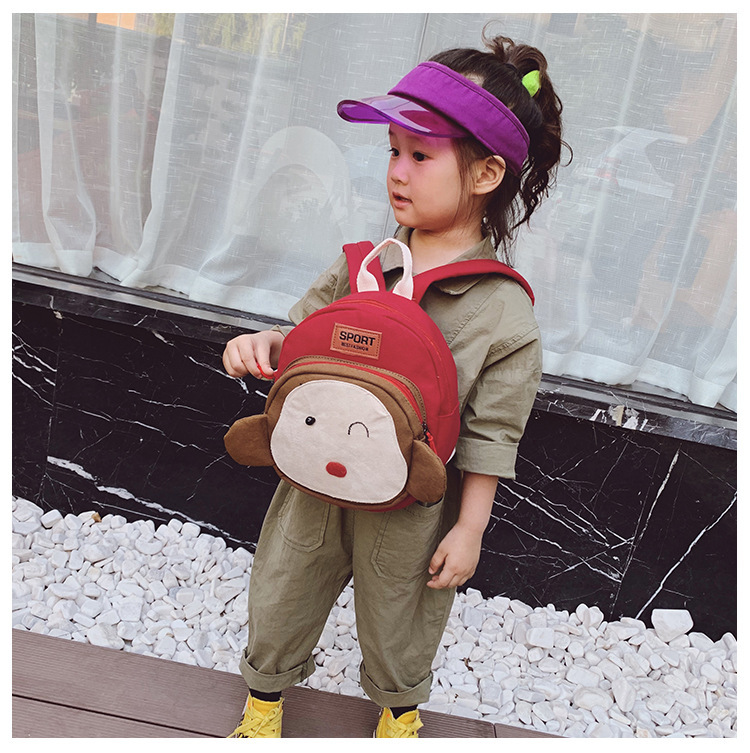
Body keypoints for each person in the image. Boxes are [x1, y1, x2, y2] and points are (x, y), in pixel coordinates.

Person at [222, 32, 566, 738]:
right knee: (285, 584)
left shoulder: (501, 308)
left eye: (420, 155)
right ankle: (263, 702)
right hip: (316, 476)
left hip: (415, 499)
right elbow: (304, 340)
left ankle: (399, 713)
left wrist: (469, 528)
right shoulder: (364, 264)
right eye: (392, 152)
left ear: (485, 174)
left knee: (401, 610)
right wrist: (265, 346)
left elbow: (492, 434)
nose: (397, 173)